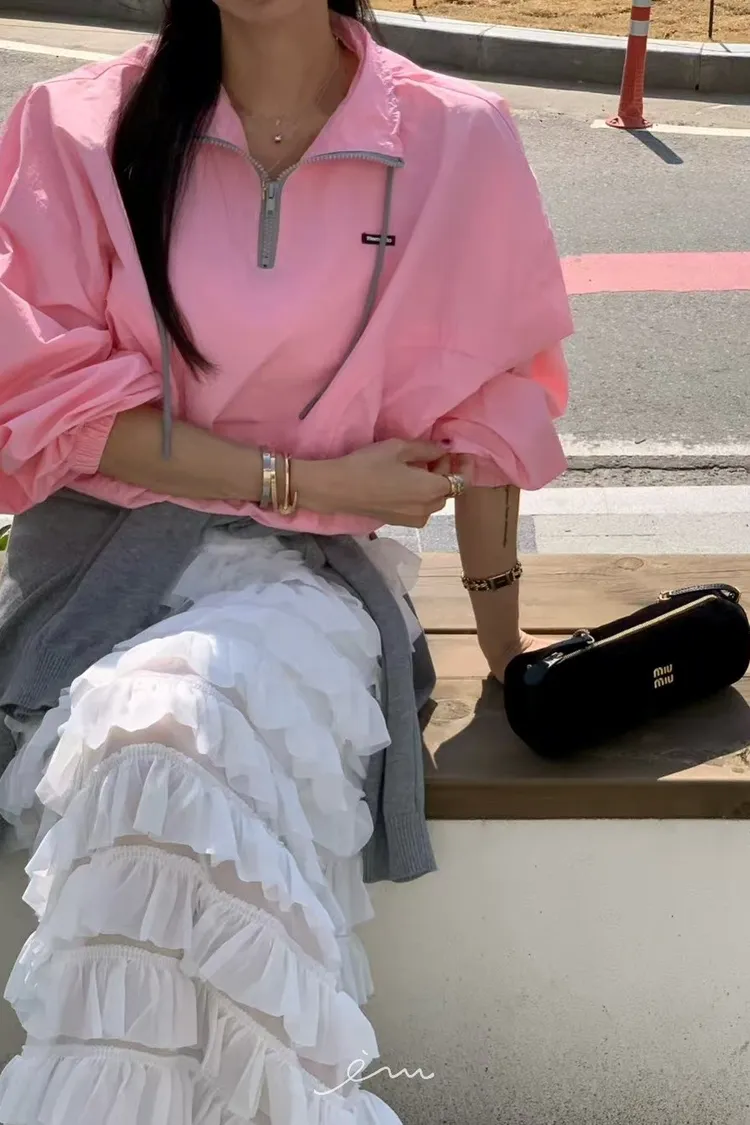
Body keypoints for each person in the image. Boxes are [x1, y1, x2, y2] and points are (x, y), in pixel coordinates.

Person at [0, 0, 572, 1120]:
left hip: (309, 589)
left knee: (164, 726)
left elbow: (488, 405)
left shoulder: (454, 138)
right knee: (165, 740)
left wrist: (507, 647)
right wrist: (303, 481)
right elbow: (52, 402)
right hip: (97, 582)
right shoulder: (77, 125)